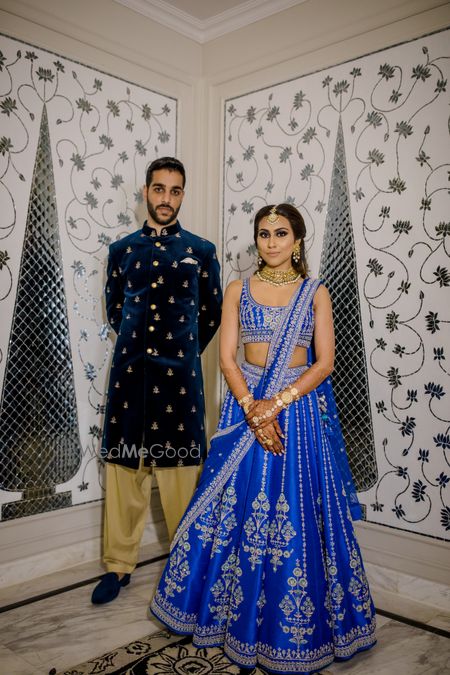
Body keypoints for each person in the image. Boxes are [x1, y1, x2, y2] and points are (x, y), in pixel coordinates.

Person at [150, 203, 376, 674]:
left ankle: (289, 631)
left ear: (297, 240)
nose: (271, 241)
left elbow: (325, 362)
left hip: (297, 415)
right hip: (245, 406)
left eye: (281, 233)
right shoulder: (238, 288)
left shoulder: (315, 292)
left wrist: (276, 404)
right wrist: (255, 408)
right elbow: (227, 359)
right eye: (263, 233)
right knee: (229, 510)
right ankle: (220, 617)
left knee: (296, 513)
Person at [91, 157, 222, 605]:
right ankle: (117, 567)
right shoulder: (121, 250)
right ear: (146, 192)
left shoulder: (201, 251)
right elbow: (114, 309)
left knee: (182, 476)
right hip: (128, 379)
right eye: (159, 189)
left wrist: (179, 355)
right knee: (125, 470)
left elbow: (211, 314)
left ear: (183, 195)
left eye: (176, 190)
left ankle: (188, 568)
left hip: (179, 384)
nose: (167, 198)